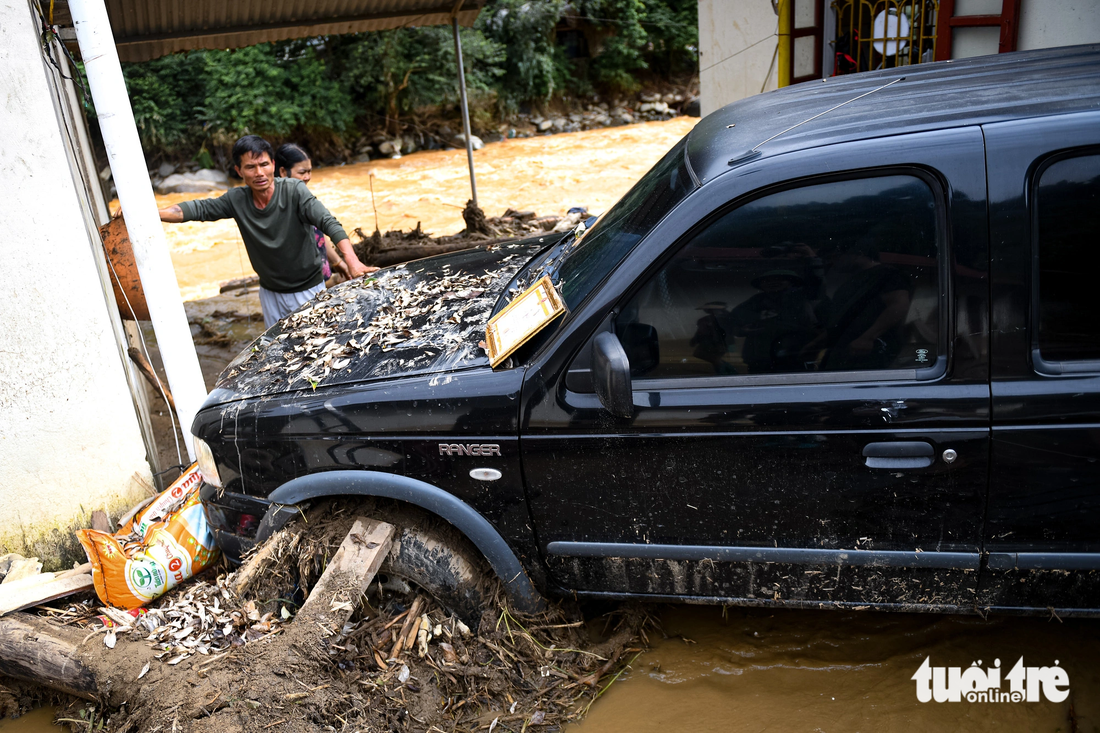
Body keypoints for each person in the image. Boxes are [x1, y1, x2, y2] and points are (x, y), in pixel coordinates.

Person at [158, 135, 376, 328]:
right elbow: (197, 209)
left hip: (307, 289)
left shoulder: (294, 190)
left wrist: (352, 261)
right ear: (239, 171)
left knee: (317, 347)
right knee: (279, 352)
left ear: (273, 164)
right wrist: (152, 213)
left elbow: (329, 223)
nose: (259, 173)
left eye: (264, 164)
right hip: (270, 292)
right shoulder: (237, 199)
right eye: (251, 167)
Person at [274, 143, 350, 286]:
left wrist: (338, 262)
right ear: (283, 172)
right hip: (299, 284)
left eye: (309, 171)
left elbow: (316, 233)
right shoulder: (280, 205)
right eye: (302, 173)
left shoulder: (302, 197)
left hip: (316, 278)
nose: (307, 177)